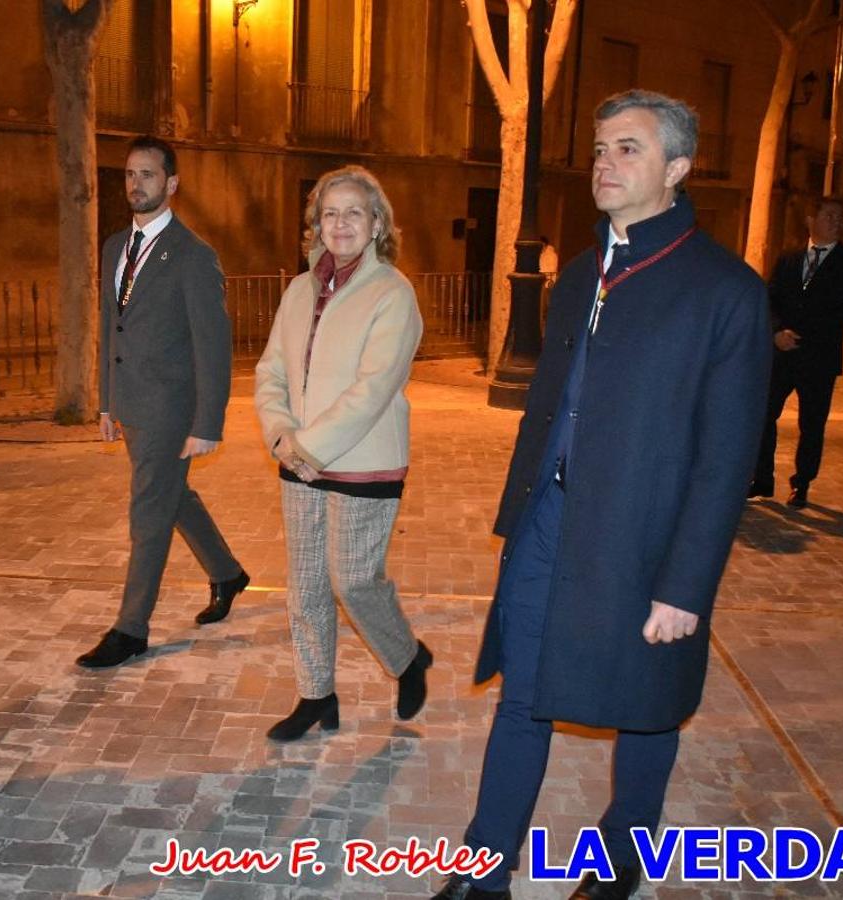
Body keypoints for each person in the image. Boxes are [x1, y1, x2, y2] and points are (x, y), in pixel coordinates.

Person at [433, 91, 770, 900]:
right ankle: (485, 871)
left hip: (644, 540)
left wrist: (686, 586)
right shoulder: (580, 273)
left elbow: (726, 460)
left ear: (678, 168)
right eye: (599, 148)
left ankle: (621, 863)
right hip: (550, 522)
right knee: (525, 693)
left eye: (628, 149)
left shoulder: (727, 291)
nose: (604, 164)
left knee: (644, 705)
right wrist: (518, 516)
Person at [253, 166, 431, 742]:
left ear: (377, 223)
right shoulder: (299, 290)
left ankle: (407, 658)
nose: (341, 223)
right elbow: (271, 370)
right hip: (298, 459)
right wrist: (280, 433)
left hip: (362, 459)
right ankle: (316, 695)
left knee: (351, 579)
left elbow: (373, 388)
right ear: (316, 224)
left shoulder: (392, 293)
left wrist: (307, 447)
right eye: (330, 213)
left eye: (355, 212)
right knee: (305, 584)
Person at [77, 135, 248, 669]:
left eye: (148, 174)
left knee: (148, 513)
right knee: (171, 497)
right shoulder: (112, 248)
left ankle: (131, 630)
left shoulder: (194, 256)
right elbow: (113, 327)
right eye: (130, 174)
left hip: (173, 409)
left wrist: (208, 422)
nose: (136, 184)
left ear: (171, 184)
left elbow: (213, 346)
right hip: (133, 405)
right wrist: (107, 402)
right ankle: (226, 572)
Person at [749, 197, 843, 508]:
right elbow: (770, 297)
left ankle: (801, 483)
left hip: (819, 357)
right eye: (829, 215)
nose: (836, 222)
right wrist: (776, 332)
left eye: (840, 217)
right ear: (811, 219)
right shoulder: (789, 258)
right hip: (781, 352)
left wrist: (801, 333)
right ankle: (762, 477)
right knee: (763, 414)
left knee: (812, 424)